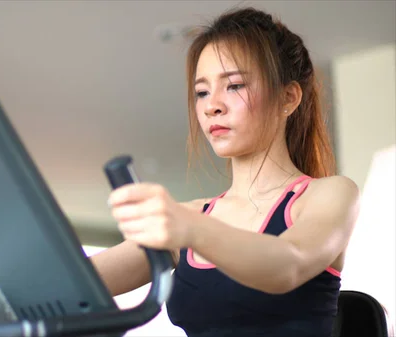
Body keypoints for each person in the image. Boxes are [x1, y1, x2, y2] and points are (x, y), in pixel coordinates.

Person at [90, 6, 360, 337]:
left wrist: (191, 228)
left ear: (288, 97)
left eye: (233, 86)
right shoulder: (188, 219)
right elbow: (73, 284)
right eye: (202, 91)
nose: (211, 105)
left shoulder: (329, 195)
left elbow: (287, 265)